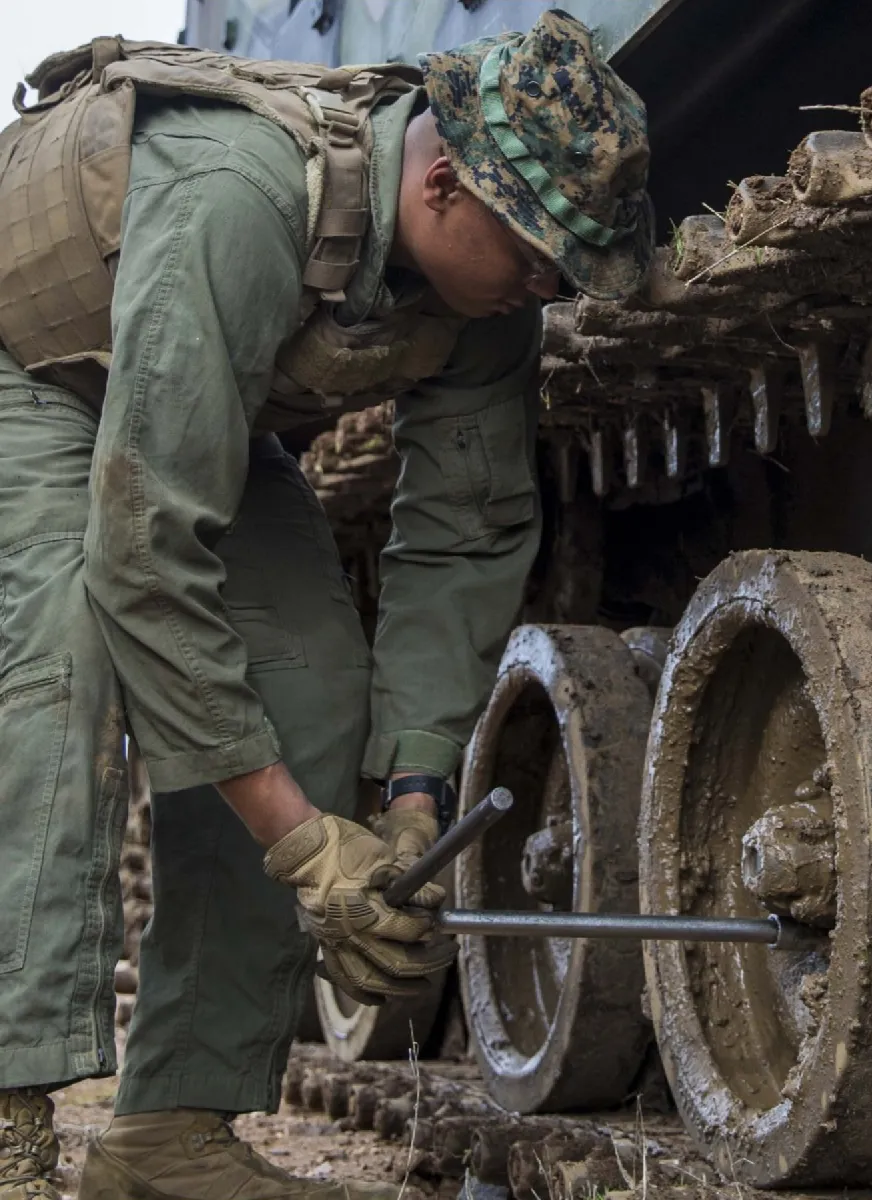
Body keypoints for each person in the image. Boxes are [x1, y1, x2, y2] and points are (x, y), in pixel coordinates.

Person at [0, 10, 651, 1198]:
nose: (547, 284)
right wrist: (306, 849)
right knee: (67, 675)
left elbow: (466, 529)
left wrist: (407, 801)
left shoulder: (482, 293)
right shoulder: (238, 195)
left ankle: (171, 1135)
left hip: (193, 401)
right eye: (535, 251)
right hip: (32, 370)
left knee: (307, 674)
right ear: (444, 181)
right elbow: (146, 555)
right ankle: (8, 1110)